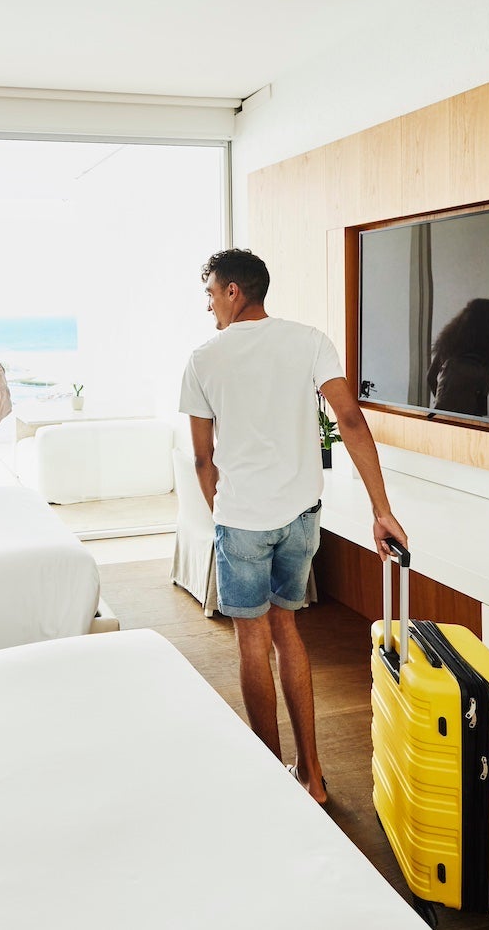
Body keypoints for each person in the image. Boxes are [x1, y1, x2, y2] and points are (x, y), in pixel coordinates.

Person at [180, 248, 408, 805]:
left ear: (234, 292)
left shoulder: (204, 358)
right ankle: (314, 776)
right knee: (288, 631)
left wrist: (220, 513)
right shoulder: (310, 339)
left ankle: (274, 787)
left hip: (243, 520)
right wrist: (382, 510)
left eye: (210, 293)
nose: (208, 305)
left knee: (252, 640)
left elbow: (202, 460)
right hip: (302, 516)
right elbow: (350, 419)